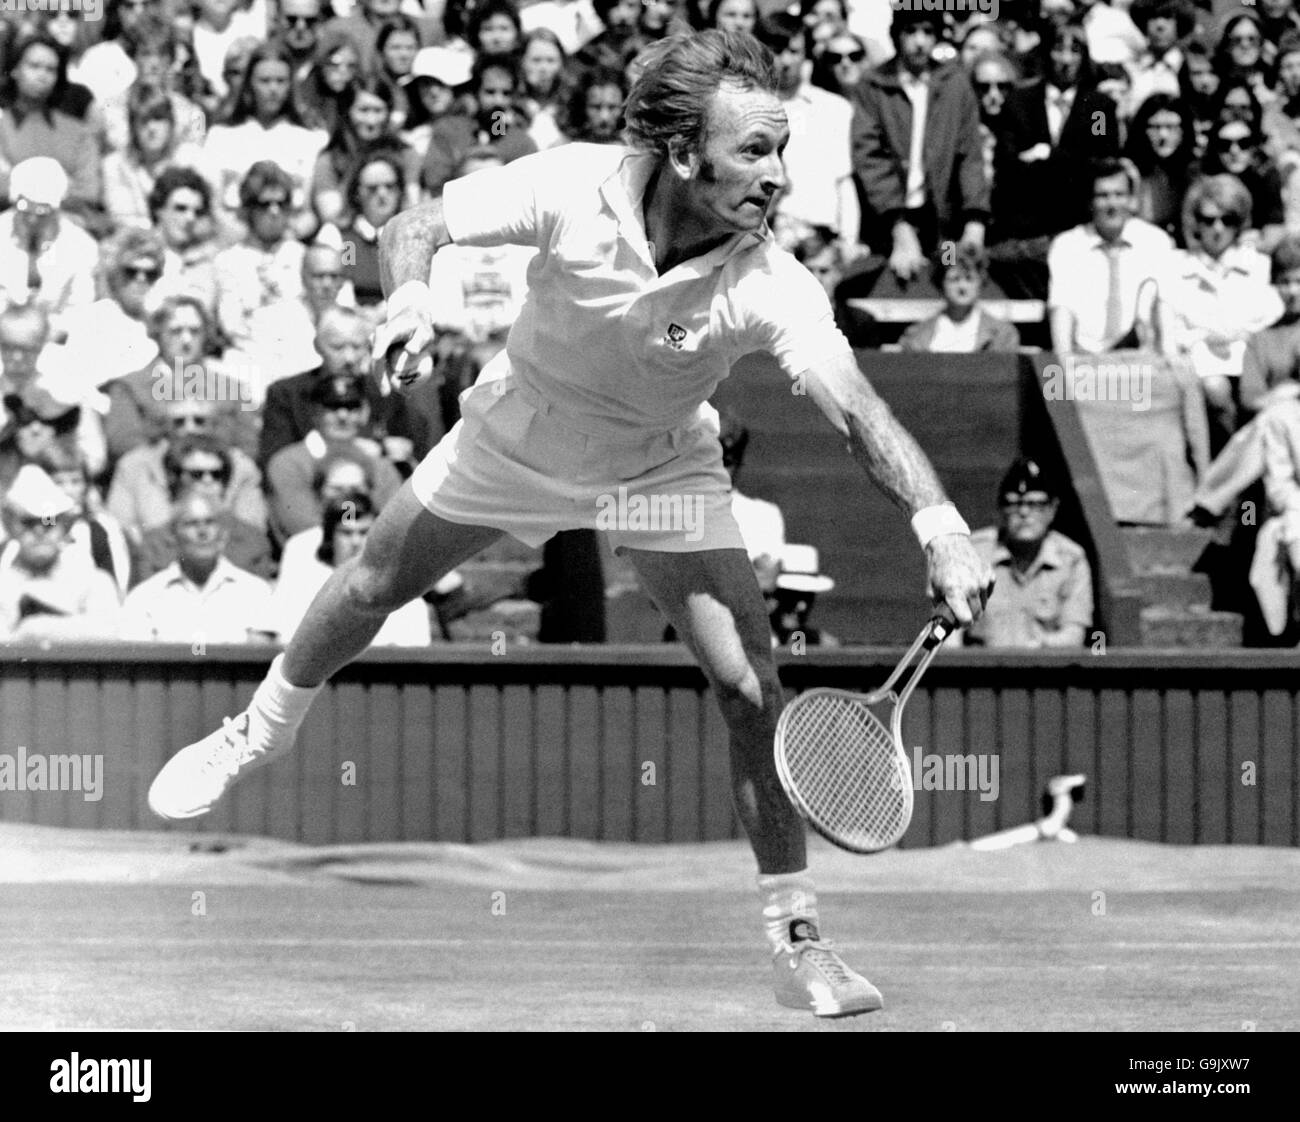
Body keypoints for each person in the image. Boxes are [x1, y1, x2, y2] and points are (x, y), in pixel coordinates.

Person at [146, 29, 993, 1019]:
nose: (777, 177)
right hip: (517, 435)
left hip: (658, 468)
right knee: (375, 582)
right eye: (754, 152)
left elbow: (855, 412)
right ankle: (256, 733)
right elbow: (416, 225)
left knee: (750, 688)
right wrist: (411, 302)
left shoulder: (769, 281)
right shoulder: (571, 182)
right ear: (685, 156)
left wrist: (937, 524)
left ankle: (796, 938)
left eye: (781, 150)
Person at [957, 457, 1093, 648]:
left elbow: (1074, 636)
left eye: (1034, 504)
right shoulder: (974, 552)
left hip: (1044, 670)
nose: (1023, 512)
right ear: (1001, 510)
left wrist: (1038, 646)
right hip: (982, 672)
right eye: (1014, 504)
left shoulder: (1071, 559)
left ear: (1052, 510)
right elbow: (952, 636)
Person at [1047, 157, 1175, 356]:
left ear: (1132, 199)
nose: (1112, 204)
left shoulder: (1155, 243)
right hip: (1085, 359)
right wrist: (1065, 363)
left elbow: (1166, 306)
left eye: (1119, 194)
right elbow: (1062, 310)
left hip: (1140, 360)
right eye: (1103, 195)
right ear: (1090, 202)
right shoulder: (1068, 246)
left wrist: (1169, 358)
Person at [272, 490, 432, 646]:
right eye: (346, 533)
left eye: (363, 532)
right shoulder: (299, 589)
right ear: (330, 537)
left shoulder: (406, 603)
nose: (355, 541)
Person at [119, 489, 275, 643]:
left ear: (223, 532)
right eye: (191, 524)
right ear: (173, 535)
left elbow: (258, 660)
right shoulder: (145, 598)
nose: (202, 532)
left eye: (210, 522)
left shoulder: (255, 593)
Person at [0, 463, 121, 643]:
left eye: (49, 521)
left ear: (65, 526)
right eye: (28, 522)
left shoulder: (94, 582)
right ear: (11, 527)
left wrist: (34, 628)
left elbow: (111, 634)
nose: (40, 531)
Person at [899, 242, 1020, 353]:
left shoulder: (1002, 335)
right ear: (941, 284)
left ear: (980, 283)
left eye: (969, 279)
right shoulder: (916, 336)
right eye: (954, 280)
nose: (962, 287)